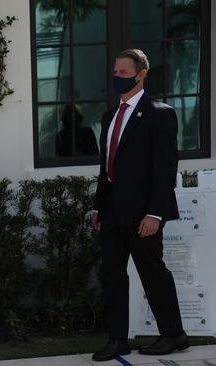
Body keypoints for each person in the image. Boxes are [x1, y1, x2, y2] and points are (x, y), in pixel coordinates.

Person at [91, 49, 188, 361]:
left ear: (141, 73)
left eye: (123, 72)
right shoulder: (110, 116)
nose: (117, 77)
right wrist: (99, 208)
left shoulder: (159, 113)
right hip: (112, 213)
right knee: (112, 277)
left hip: (144, 213)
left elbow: (165, 168)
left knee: (153, 274)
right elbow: (107, 168)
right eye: (115, 72)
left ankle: (174, 334)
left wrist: (155, 213)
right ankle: (118, 339)